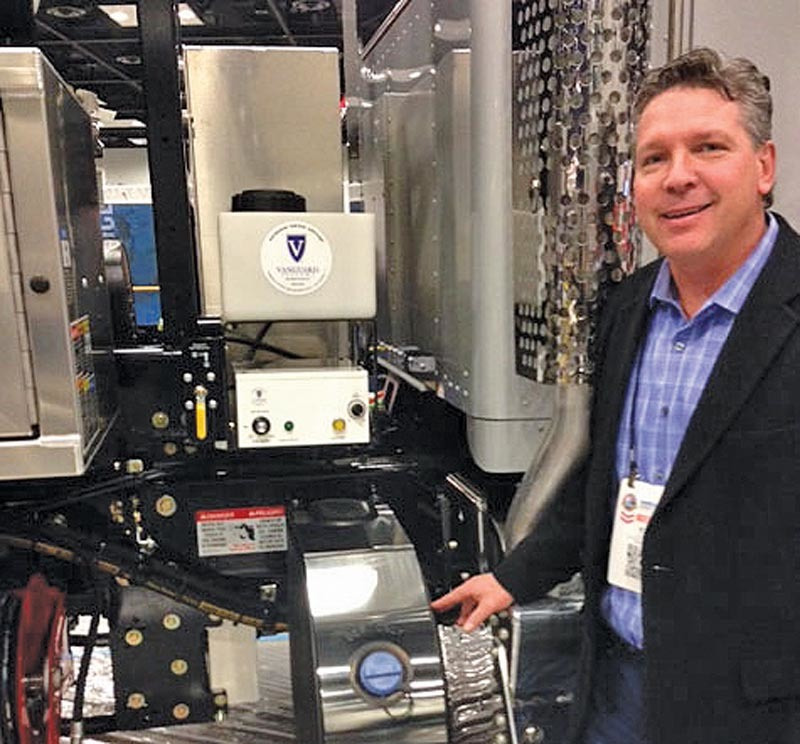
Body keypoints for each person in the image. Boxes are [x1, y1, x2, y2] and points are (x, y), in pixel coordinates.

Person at [432, 47, 800, 744]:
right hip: (617, 686)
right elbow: (604, 484)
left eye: (708, 147)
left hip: (756, 710)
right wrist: (513, 577)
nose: (678, 176)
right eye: (654, 158)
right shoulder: (630, 308)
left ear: (764, 166)